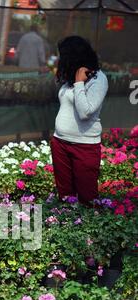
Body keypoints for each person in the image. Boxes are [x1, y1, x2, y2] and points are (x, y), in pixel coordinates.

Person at [51, 36, 108, 205]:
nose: (61, 60)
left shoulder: (98, 79)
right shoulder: (73, 77)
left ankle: (88, 231)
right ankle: (66, 227)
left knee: (87, 199)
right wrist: (75, 81)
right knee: (66, 198)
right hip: (60, 143)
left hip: (84, 145)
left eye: (63, 56)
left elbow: (85, 112)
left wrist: (78, 83)